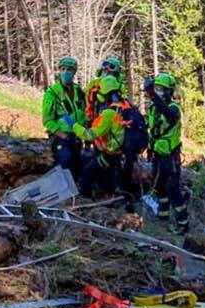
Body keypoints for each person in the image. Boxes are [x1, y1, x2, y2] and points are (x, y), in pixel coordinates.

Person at [75, 74, 146, 199]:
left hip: (111, 154)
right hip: (125, 154)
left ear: (104, 94)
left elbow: (90, 135)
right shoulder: (128, 107)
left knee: (87, 174)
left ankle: (86, 200)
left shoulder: (109, 113)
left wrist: (75, 126)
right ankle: (114, 194)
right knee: (112, 178)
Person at [144, 72, 189, 233]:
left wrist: (152, 95)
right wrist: (149, 149)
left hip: (170, 156)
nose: (158, 92)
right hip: (157, 153)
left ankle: (183, 223)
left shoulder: (173, 109)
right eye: (156, 88)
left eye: (161, 89)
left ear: (169, 91)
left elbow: (168, 115)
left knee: (173, 188)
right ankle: (163, 215)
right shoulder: (153, 109)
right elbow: (152, 130)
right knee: (159, 187)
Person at [42, 56, 86, 173]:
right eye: (63, 69)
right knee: (65, 162)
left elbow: (84, 112)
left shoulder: (78, 91)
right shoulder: (52, 93)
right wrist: (62, 135)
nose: (65, 72)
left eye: (69, 69)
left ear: (74, 72)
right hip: (61, 137)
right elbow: (47, 120)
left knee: (78, 166)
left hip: (77, 136)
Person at [84, 56, 123, 123]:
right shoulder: (94, 83)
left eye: (111, 67)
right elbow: (86, 96)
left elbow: (118, 103)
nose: (106, 69)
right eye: (105, 67)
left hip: (110, 119)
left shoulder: (117, 85)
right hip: (93, 117)